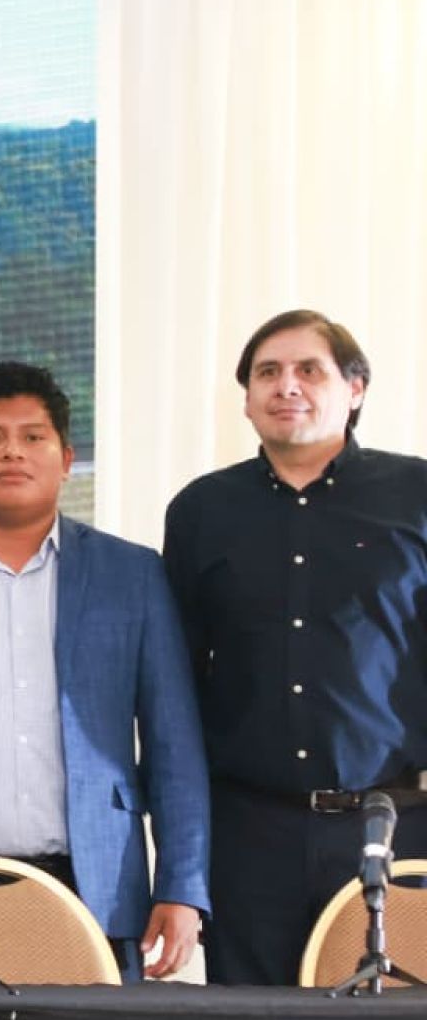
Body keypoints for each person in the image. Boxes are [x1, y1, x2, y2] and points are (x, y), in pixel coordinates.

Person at [0, 362, 209, 981]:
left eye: (33, 437)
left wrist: (182, 886)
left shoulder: (131, 575)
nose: (12, 453)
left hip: (95, 885)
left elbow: (173, 745)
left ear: (66, 457)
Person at [164, 310, 427, 985]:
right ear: (247, 400)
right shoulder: (201, 511)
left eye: (309, 369)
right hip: (249, 836)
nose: (287, 386)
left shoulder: (418, 495)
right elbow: (177, 685)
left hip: (397, 827)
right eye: (267, 373)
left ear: (356, 388)